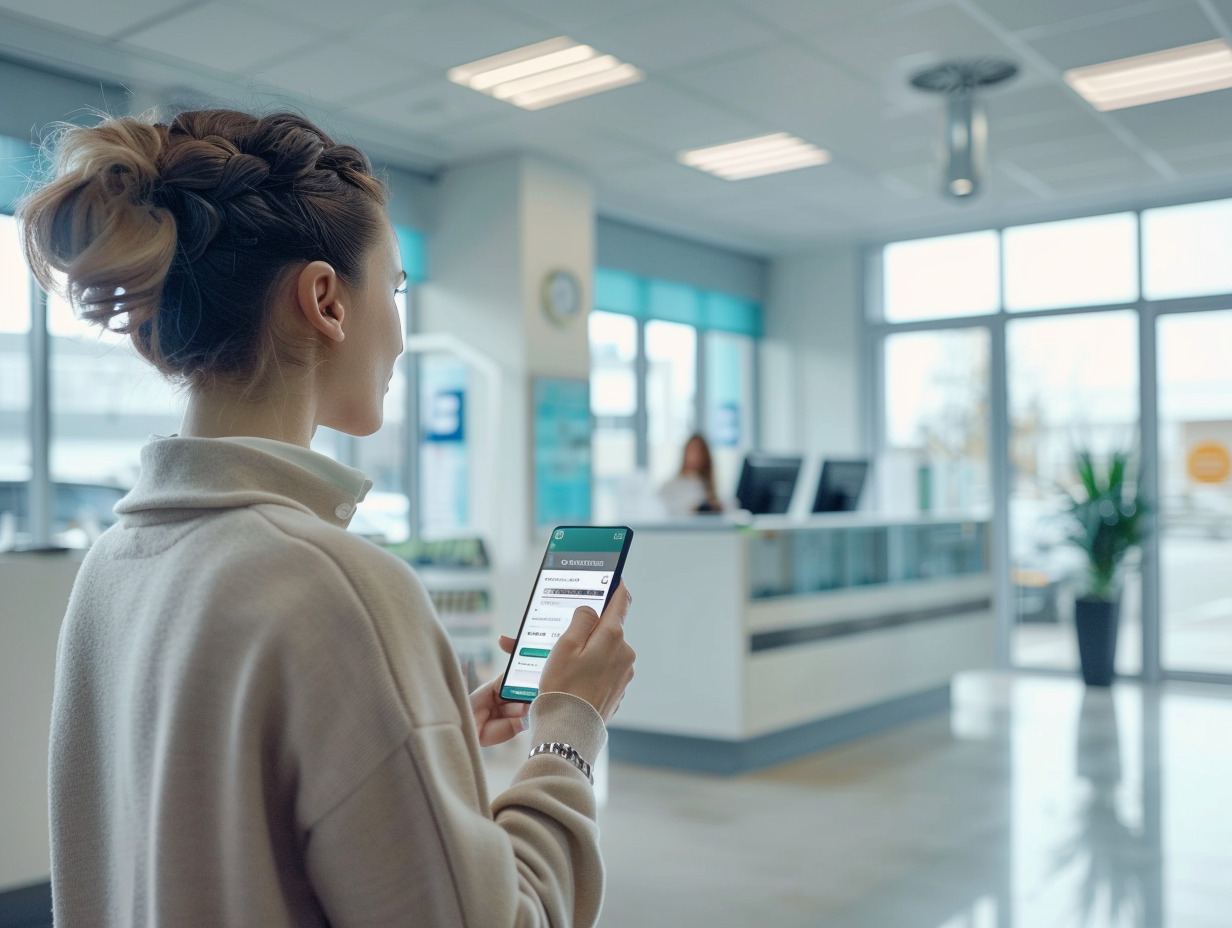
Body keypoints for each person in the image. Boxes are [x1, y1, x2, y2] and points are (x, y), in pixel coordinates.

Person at [20, 109, 635, 927]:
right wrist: (568, 731)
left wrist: (417, 714)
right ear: (326, 301)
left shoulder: (113, 565)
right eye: (397, 288)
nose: (402, 335)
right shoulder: (337, 586)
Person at [658, 433, 722, 516]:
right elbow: (662, 508)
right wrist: (693, 509)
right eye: (691, 451)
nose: (694, 457)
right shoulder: (670, 486)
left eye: (698, 452)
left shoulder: (708, 487)